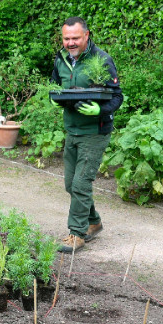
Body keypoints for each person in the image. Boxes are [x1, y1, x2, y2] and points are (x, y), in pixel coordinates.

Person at [50, 16, 123, 253]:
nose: (70, 43)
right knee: (70, 184)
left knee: (81, 184)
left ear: (86, 36)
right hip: (72, 129)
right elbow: (54, 85)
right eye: (66, 38)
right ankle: (94, 222)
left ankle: (77, 234)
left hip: (95, 131)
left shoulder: (102, 59)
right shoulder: (61, 59)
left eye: (75, 38)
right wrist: (54, 98)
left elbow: (117, 96)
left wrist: (99, 110)